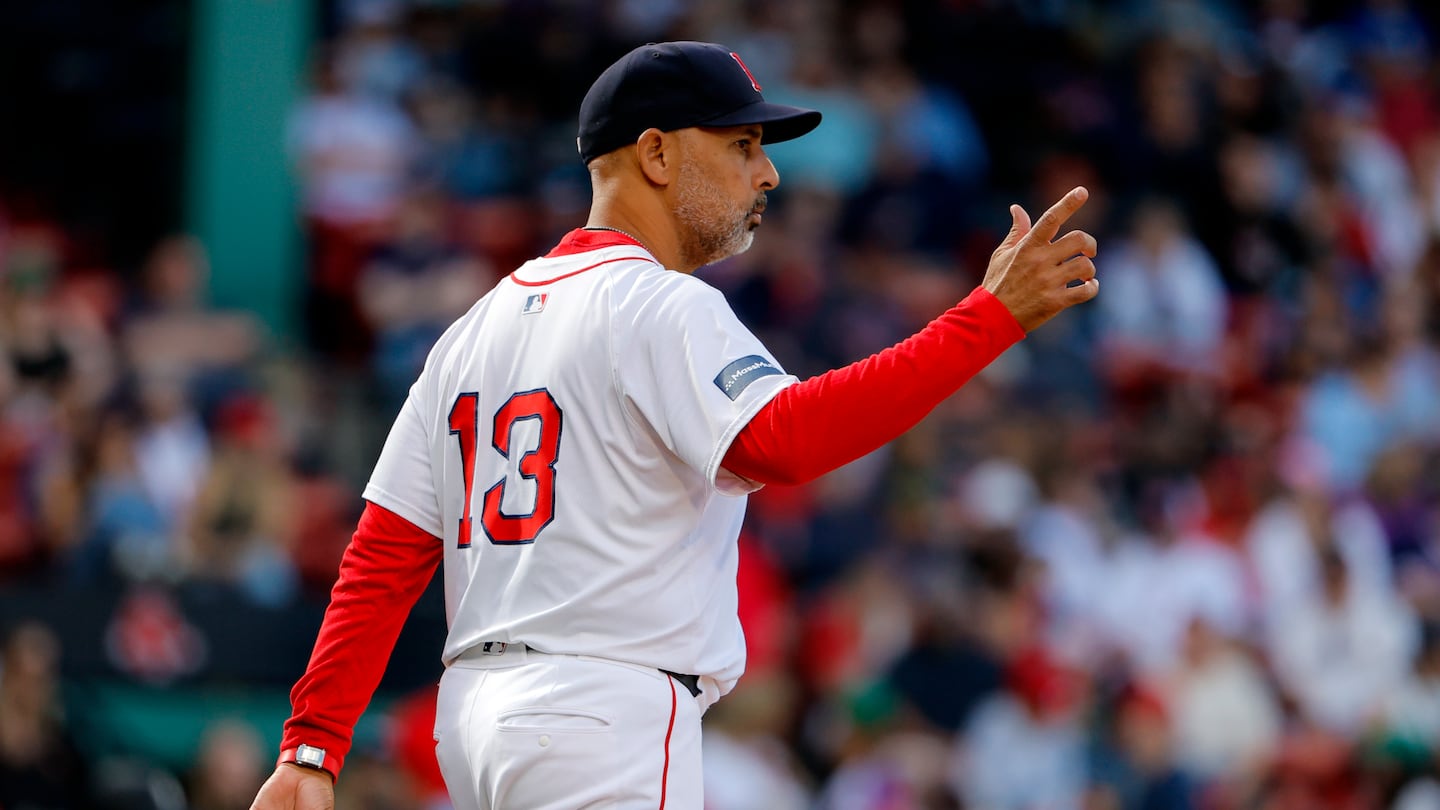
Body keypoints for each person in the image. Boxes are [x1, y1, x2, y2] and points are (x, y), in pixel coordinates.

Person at [250, 40, 1098, 810]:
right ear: (655, 152)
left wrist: (313, 746)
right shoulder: (658, 303)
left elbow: (387, 551)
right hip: (602, 711)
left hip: (475, 720)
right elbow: (789, 439)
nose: (766, 174)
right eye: (741, 145)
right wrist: (989, 319)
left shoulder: (473, 329)